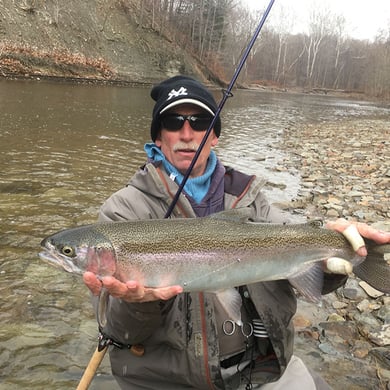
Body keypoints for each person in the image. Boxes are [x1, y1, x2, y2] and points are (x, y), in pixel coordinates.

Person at [83, 75, 390, 390]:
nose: (187, 134)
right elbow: (119, 332)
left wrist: (334, 255)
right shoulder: (121, 214)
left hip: (262, 371)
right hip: (166, 383)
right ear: (159, 138)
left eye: (200, 121)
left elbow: (292, 244)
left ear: (214, 136)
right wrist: (138, 302)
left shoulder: (250, 196)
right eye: (174, 122)